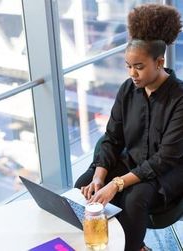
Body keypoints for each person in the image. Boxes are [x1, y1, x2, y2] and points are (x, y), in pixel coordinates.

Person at [74, 4, 183, 251]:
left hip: (166, 172)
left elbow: (165, 159)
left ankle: (132, 247)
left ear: (159, 62)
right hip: (131, 161)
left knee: (135, 198)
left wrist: (117, 183)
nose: (132, 73)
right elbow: (112, 137)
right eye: (128, 65)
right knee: (83, 185)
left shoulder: (180, 99)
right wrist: (100, 178)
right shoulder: (127, 89)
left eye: (139, 66)